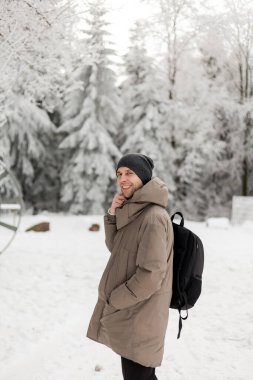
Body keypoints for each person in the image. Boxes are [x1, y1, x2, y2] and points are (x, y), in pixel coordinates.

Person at [87, 153, 174, 380]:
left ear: (143, 178)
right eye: (119, 174)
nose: (122, 179)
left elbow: (151, 274)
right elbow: (118, 249)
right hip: (134, 314)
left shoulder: (152, 217)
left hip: (141, 317)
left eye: (129, 173)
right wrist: (113, 216)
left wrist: (116, 299)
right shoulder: (137, 212)